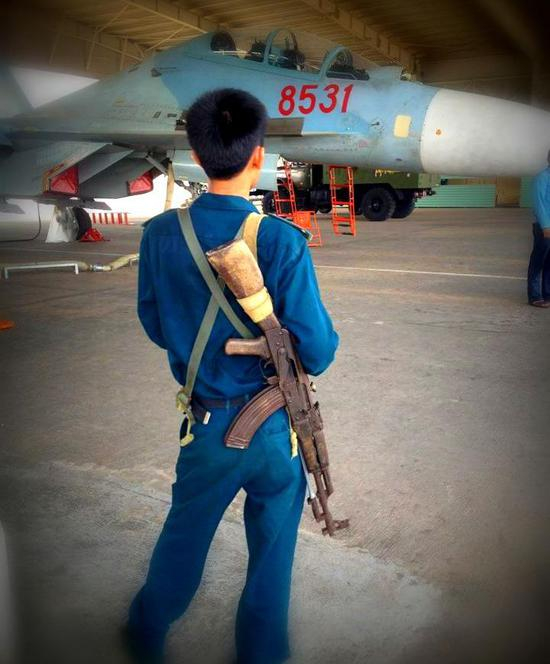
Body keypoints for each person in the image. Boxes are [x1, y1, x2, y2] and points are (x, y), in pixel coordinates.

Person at [124, 88, 339, 664]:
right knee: (273, 551)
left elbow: (156, 325)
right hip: (275, 431)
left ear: (196, 154)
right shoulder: (280, 239)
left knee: (184, 537)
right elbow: (318, 351)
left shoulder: (160, 235)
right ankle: (262, 653)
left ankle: (145, 633)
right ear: (258, 156)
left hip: (207, 425)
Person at [527, 151, 550, 307]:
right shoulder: (542, 178)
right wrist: (546, 226)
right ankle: (535, 296)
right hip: (544, 228)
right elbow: (539, 204)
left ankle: (547, 294)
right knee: (538, 262)